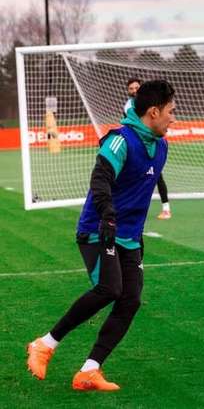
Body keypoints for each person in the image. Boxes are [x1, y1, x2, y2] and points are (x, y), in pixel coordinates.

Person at [26, 80, 176, 391]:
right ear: (153, 111)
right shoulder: (120, 141)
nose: (174, 118)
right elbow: (101, 179)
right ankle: (44, 344)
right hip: (98, 231)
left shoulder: (161, 147)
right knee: (110, 288)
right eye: (171, 112)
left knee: (131, 300)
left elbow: (139, 189)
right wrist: (107, 216)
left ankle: (89, 370)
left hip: (130, 237)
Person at [125, 78, 172, 220]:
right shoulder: (128, 106)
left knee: (157, 175)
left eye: (136, 87)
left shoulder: (152, 104)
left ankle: (166, 208)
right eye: (131, 88)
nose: (134, 90)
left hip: (151, 143)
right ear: (128, 91)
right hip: (137, 146)